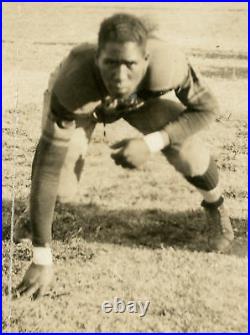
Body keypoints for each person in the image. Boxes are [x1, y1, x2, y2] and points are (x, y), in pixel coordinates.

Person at [15, 13, 234, 299]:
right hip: (87, 104)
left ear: (145, 59)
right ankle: (37, 217)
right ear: (96, 59)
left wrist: (153, 142)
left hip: (138, 103)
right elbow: (46, 167)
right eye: (110, 63)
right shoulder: (72, 82)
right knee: (61, 185)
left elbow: (206, 108)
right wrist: (42, 258)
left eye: (130, 64)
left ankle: (215, 205)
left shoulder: (167, 65)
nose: (120, 76)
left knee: (189, 150)